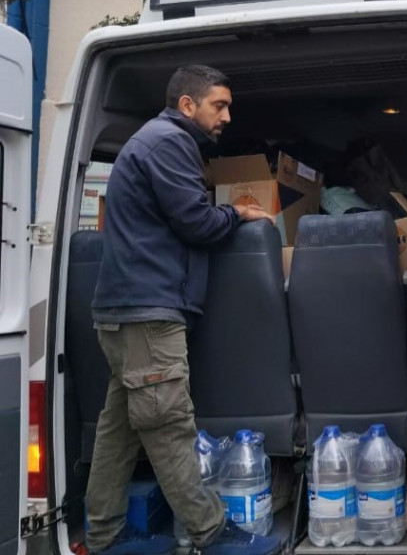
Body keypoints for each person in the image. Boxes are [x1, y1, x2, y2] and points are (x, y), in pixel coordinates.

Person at [86, 65, 280, 555]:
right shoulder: (169, 142)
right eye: (220, 105)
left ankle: (103, 534)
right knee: (170, 424)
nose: (228, 116)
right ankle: (211, 533)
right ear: (188, 105)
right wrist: (237, 211)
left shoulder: (155, 140)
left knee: (121, 429)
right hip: (148, 313)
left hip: (127, 311)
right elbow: (195, 221)